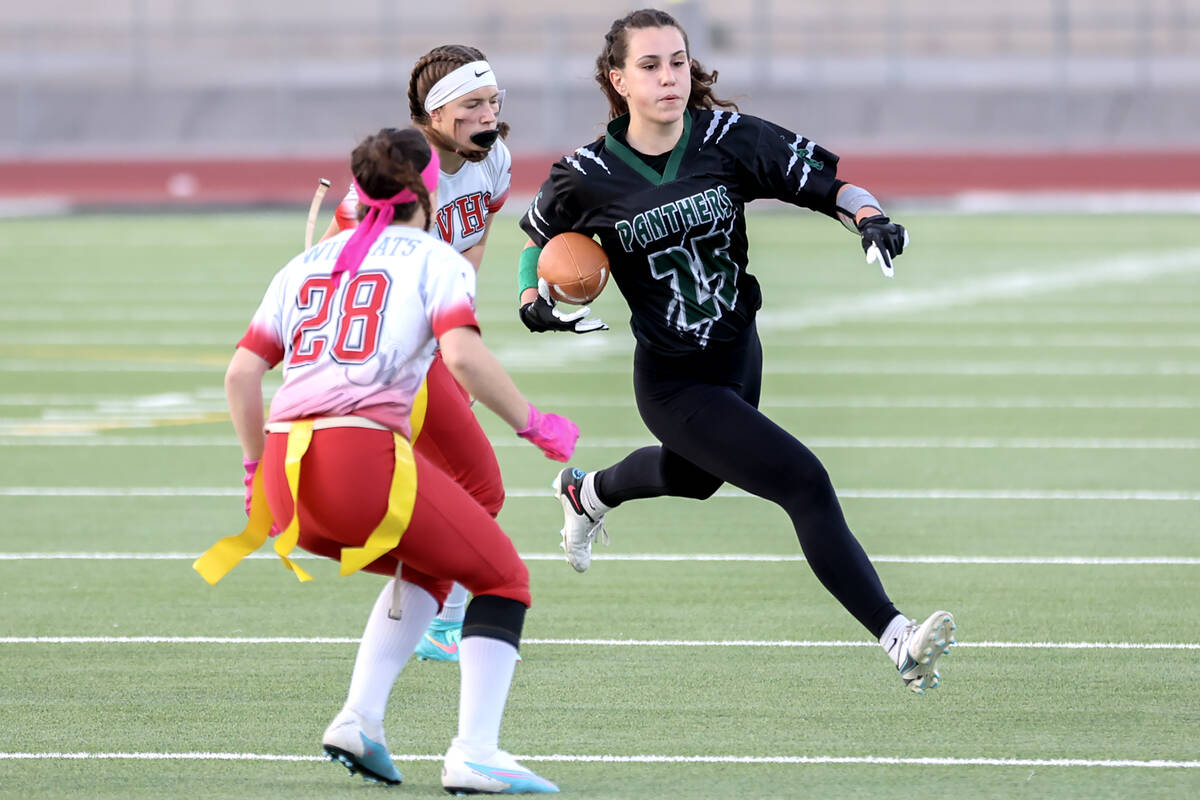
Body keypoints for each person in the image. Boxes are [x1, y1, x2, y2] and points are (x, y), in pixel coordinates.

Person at [516, 8, 955, 694]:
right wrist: (529, 299)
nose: (669, 77)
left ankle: (587, 490)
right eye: (651, 65)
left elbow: (831, 188)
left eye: (679, 61)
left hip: (737, 349)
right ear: (617, 79)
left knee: (695, 478)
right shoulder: (585, 173)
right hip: (673, 381)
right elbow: (538, 243)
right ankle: (897, 639)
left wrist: (869, 218)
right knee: (802, 482)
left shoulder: (726, 138)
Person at [197, 127, 568, 793]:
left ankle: (360, 718)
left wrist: (256, 472)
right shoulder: (435, 257)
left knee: (435, 563)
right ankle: (475, 751)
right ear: (427, 190)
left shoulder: (303, 265)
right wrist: (534, 424)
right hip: (358, 462)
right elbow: (461, 357)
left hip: (286, 479)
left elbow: (240, 376)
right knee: (504, 578)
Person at [321, 45, 565, 663]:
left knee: (466, 486)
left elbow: (472, 239)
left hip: (436, 336)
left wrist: (458, 318)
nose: (489, 115)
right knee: (474, 487)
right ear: (435, 112)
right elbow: (332, 257)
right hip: (391, 346)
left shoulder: (494, 159)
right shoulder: (403, 167)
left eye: (493, 101)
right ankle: (438, 614)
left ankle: (431, 611)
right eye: (472, 104)